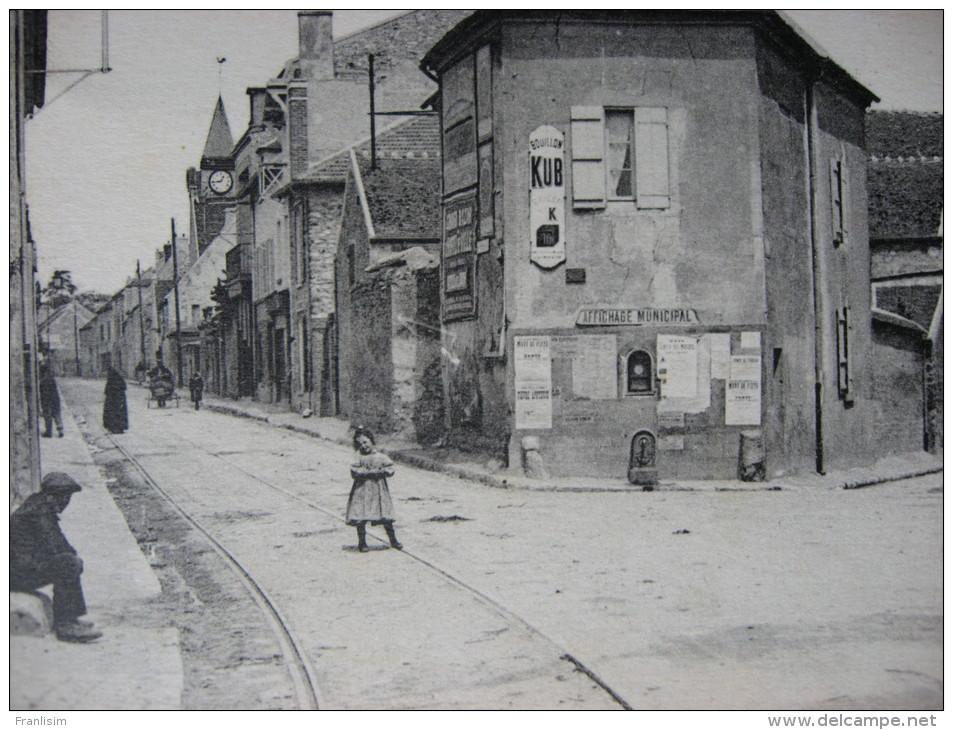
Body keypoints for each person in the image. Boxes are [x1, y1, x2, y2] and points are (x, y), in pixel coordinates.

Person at [10, 472, 102, 643]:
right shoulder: (39, 512)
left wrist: (72, 554)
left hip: (19, 568)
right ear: (53, 496)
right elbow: (55, 545)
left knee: (68, 561)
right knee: (67, 564)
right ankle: (65, 624)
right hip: (15, 573)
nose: (65, 503)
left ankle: (71, 618)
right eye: (64, 498)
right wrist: (73, 558)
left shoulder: (39, 505)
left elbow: (59, 542)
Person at [345, 427, 402, 552]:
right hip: (361, 491)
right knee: (361, 516)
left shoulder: (380, 457)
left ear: (371, 441)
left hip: (378, 490)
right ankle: (362, 542)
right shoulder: (357, 457)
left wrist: (381, 472)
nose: (363, 446)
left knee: (385, 515)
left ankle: (393, 540)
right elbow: (355, 471)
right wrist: (367, 473)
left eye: (365, 442)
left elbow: (390, 468)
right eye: (359, 444)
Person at [38, 362, 64, 438]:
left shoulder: (42, 381)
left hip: (46, 399)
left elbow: (42, 392)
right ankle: (60, 430)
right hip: (55, 398)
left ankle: (49, 432)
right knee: (57, 414)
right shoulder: (52, 379)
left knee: (47, 415)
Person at [103, 366, 128, 434]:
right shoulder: (119, 378)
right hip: (120, 399)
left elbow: (106, 391)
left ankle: (114, 427)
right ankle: (119, 427)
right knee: (119, 413)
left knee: (113, 413)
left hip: (113, 400)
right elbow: (124, 387)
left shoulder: (111, 380)